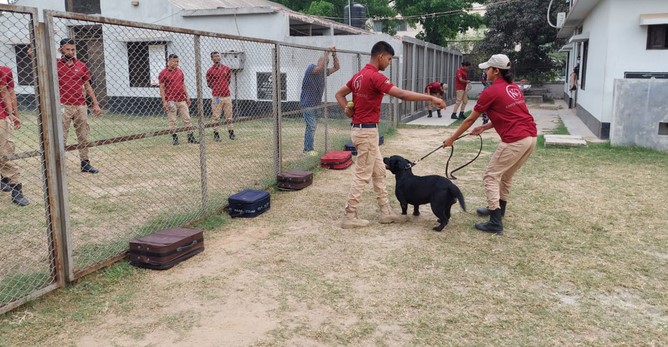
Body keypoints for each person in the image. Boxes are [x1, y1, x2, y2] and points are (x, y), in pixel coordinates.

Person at [335, 41, 446, 229]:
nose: (388, 63)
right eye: (388, 59)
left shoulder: (358, 76)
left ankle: (385, 212)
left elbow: (339, 94)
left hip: (362, 130)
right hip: (367, 132)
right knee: (363, 175)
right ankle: (350, 215)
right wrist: (431, 97)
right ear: (380, 56)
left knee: (379, 172)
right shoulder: (375, 77)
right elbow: (401, 94)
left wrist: (347, 109)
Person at [443, 54, 537, 235]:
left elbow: (469, 119)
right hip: (530, 138)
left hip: (515, 139)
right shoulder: (513, 88)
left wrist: (452, 139)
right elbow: (512, 114)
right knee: (506, 175)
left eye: (487, 69)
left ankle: (495, 221)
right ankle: (498, 210)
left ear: (496, 71)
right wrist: (485, 127)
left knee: (491, 176)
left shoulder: (491, 91)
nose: (485, 72)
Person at [57, 38, 101, 174]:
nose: (71, 52)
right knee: (61, 136)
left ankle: (85, 163)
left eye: (73, 50)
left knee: (83, 135)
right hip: (63, 105)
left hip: (80, 105)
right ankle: (59, 165)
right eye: (67, 49)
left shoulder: (82, 65)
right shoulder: (54, 64)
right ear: (60, 50)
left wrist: (95, 104)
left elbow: (88, 86)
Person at [300, 47, 340, 155]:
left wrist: (334, 55)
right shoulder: (311, 68)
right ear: (319, 61)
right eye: (324, 62)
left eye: (327, 63)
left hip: (316, 104)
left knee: (311, 126)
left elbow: (337, 67)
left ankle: (308, 147)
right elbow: (320, 67)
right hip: (307, 103)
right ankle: (308, 149)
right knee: (312, 125)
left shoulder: (324, 72)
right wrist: (327, 52)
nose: (326, 65)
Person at [0, 66, 29, 206]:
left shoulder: (3, 70)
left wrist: (12, 114)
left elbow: (7, 92)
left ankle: (16, 189)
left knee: (6, 153)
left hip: (0, 117)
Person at [159, 54, 197, 145]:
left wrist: (187, 95)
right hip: (171, 100)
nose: (176, 63)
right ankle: (175, 138)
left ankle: (190, 137)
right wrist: (164, 101)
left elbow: (183, 84)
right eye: (174, 61)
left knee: (187, 119)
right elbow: (162, 88)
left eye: (177, 61)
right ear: (169, 61)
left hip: (181, 99)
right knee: (172, 120)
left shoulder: (180, 71)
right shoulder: (163, 73)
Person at [206, 51, 236, 142]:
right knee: (216, 116)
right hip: (217, 97)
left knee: (229, 116)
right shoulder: (210, 71)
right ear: (212, 59)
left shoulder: (226, 69)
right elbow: (209, 84)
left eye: (218, 56)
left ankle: (231, 133)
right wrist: (216, 88)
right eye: (215, 56)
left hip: (227, 96)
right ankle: (216, 134)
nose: (217, 58)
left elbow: (228, 80)